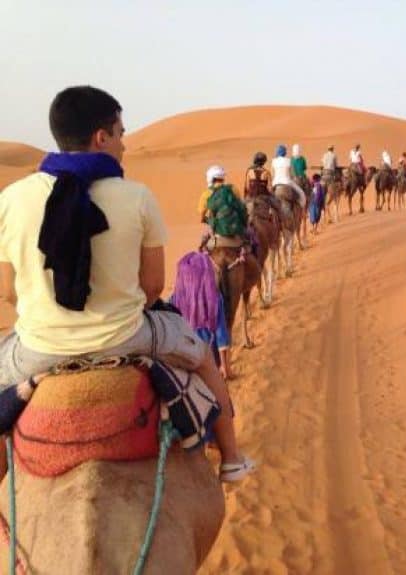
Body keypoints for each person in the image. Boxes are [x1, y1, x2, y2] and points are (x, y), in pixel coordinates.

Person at [0, 86, 253, 482]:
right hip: (126, 336)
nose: (124, 145)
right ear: (101, 137)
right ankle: (233, 460)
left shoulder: (11, 199)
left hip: (38, 348)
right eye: (120, 133)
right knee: (204, 356)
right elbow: (153, 286)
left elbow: (9, 292)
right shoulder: (136, 197)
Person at [171, 252, 232, 380]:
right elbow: (221, 334)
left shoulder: (173, 300)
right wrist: (224, 366)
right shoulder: (214, 299)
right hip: (209, 360)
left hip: (184, 360)